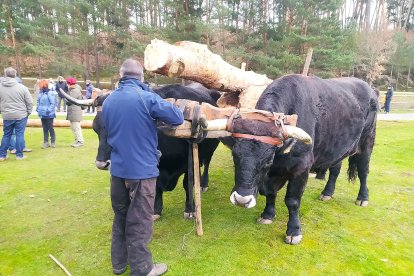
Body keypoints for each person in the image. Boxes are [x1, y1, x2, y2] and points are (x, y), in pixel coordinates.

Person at [102, 58, 184, 276]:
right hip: (142, 172)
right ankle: (142, 269)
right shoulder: (146, 97)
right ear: (141, 77)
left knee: (121, 217)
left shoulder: (109, 101)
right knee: (139, 220)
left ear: (121, 76)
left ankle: (118, 264)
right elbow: (176, 117)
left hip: (117, 171)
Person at [0, 67, 33, 161]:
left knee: (6, 135)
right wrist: (28, 112)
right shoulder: (22, 87)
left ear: (5, 75)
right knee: (19, 135)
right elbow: (29, 102)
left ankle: (2, 155)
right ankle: (19, 155)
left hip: (7, 115)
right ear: (15, 75)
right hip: (21, 115)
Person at [36, 79, 56, 148]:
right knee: (45, 129)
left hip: (49, 114)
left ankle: (53, 142)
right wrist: (38, 109)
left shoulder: (50, 93)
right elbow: (38, 102)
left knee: (50, 128)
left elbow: (53, 103)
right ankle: (46, 142)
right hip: (42, 114)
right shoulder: (40, 93)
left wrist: (48, 110)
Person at [66, 77, 84, 147]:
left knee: (76, 127)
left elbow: (69, 100)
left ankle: (80, 141)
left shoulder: (75, 91)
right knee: (74, 127)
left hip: (75, 111)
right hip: (72, 111)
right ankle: (77, 140)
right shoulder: (72, 90)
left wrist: (65, 96)